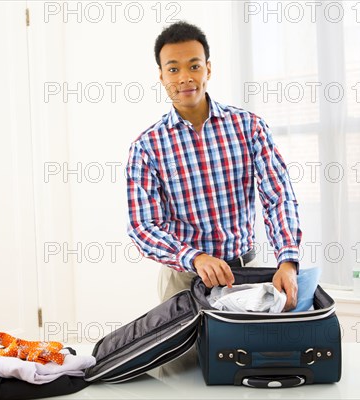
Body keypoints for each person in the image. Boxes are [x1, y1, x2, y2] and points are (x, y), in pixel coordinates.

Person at [126, 21, 302, 310]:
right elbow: (142, 226)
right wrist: (194, 257)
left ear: (208, 68)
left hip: (246, 274)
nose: (184, 77)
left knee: (245, 354)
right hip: (183, 280)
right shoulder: (146, 147)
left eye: (194, 66)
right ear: (161, 75)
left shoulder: (249, 127)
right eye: (173, 69)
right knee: (182, 357)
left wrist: (288, 260)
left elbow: (278, 196)